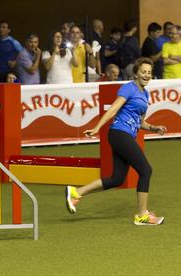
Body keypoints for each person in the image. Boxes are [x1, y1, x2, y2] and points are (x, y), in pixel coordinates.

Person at [65, 57, 167, 226]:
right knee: (145, 170)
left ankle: (76, 192)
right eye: (143, 72)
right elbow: (113, 109)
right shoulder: (129, 88)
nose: (146, 75)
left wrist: (154, 128)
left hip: (124, 135)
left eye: (149, 72)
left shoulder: (145, 94)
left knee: (117, 179)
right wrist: (97, 127)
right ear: (135, 73)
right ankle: (142, 215)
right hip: (120, 134)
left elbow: (140, 121)